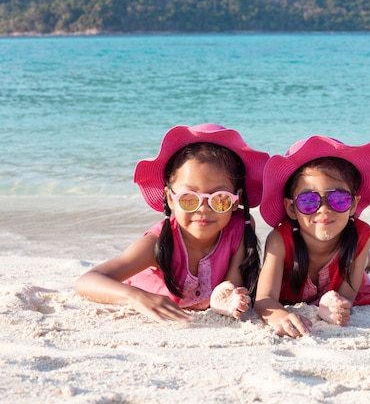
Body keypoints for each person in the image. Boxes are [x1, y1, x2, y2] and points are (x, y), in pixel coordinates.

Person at [75, 124, 269, 323]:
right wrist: (135, 296)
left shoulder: (239, 227)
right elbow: (88, 281)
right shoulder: (157, 244)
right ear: (169, 197)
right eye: (189, 198)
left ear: (236, 200)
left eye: (219, 198)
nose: (203, 208)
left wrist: (229, 300)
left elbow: (230, 287)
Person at [254, 136, 370, 338]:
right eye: (309, 200)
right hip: (338, 255)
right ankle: (367, 260)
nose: (324, 210)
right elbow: (264, 299)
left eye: (338, 199)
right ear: (291, 208)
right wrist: (279, 315)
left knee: (363, 267)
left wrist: (335, 306)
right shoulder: (280, 241)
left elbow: (347, 297)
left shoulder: (361, 237)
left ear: (354, 205)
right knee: (359, 263)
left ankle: (367, 260)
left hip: (348, 252)